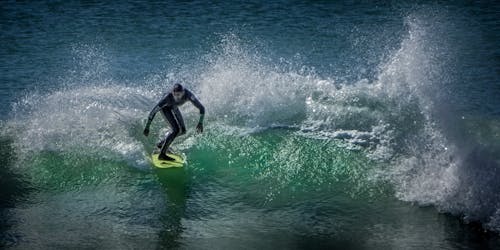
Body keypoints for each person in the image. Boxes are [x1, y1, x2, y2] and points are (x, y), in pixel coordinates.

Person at [143, 83, 205, 161]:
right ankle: (162, 155)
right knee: (175, 130)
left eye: (179, 94)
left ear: (183, 92)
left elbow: (202, 108)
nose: (177, 97)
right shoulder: (167, 98)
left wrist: (200, 123)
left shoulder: (189, 95)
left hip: (174, 107)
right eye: (175, 95)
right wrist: (147, 126)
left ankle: (161, 144)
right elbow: (153, 111)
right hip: (166, 109)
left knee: (182, 131)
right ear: (173, 93)